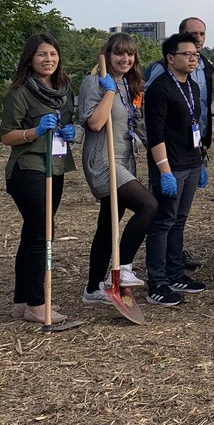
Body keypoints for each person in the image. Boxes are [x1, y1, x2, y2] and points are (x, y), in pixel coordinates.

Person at [0, 34, 77, 324]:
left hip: (54, 168)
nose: (48, 60)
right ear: (30, 59)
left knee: (32, 233)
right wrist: (34, 132)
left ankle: (21, 301)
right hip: (28, 169)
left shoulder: (63, 90)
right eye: (42, 55)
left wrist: (69, 133)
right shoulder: (20, 93)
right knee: (43, 233)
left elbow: (66, 124)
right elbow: (6, 135)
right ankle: (37, 303)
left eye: (53, 54)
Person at [78, 33, 156, 305]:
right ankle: (122, 269)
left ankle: (92, 289)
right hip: (103, 161)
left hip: (125, 159)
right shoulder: (94, 82)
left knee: (108, 224)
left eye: (130, 54)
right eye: (119, 54)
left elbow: (139, 126)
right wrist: (108, 91)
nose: (125, 59)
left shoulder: (131, 85)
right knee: (148, 206)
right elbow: (95, 124)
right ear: (108, 56)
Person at [143, 32, 209, 306]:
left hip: (191, 162)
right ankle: (156, 282)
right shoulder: (160, 88)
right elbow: (155, 134)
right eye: (187, 55)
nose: (193, 59)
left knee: (179, 220)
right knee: (163, 222)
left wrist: (200, 160)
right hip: (169, 165)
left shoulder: (192, 86)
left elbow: (193, 125)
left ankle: (175, 272)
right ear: (171, 58)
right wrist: (164, 170)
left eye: (195, 55)